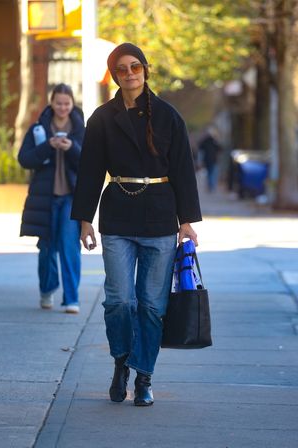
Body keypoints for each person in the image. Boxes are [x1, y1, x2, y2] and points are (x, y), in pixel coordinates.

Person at [71, 43, 202, 406]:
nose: (129, 74)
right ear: (114, 75)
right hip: (117, 215)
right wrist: (84, 220)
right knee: (120, 302)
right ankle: (121, 363)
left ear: (145, 69)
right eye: (122, 69)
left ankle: (144, 376)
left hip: (160, 217)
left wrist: (186, 222)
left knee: (150, 305)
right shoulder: (101, 118)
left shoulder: (168, 116)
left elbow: (183, 171)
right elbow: (90, 171)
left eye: (135, 67)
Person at [18, 83, 85, 314]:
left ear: (72, 103)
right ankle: (47, 290)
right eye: (58, 103)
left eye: (67, 103)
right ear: (51, 102)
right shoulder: (39, 129)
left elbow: (90, 163)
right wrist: (48, 146)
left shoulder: (80, 129)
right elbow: (24, 159)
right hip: (45, 198)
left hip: (70, 198)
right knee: (46, 248)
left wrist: (71, 148)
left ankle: (72, 298)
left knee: (69, 246)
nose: (63, 107)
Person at [198, 125, 222, 192]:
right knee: (212, 173)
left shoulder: (204, 141)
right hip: (213, 160)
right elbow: (220, 149)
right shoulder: (214, 141)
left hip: (207, 160)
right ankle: (211, 186)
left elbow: (200, 151)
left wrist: (200, 161)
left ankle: (210, 186)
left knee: (210, 173)